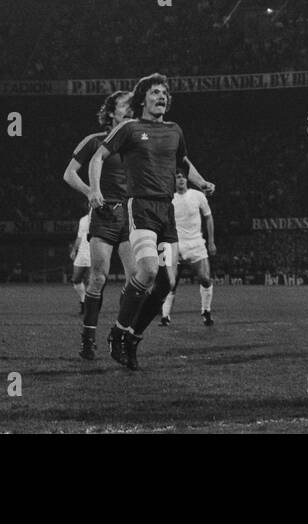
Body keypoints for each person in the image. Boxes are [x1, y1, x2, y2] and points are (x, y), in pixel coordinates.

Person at [88, 73, 215, 370]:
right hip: (141, 207)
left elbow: (183, 160)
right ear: (142, 98)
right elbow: (97, 158)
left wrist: (201, 180)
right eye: (156, 92)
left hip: (165, 210)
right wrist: (94, 189)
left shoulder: (174, 130)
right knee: (147, 270)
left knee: (166, 283)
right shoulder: (129, 128)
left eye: (165, 94)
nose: (162, 97)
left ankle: (133, 336)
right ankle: (117, 332)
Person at [63, 90, 137, 360]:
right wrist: (89, 191)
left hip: (131, 216)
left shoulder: (137, 142)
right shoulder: (94, 141)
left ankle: (120, 333)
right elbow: (68, 174)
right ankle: (88, 340)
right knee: (98, 277)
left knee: (137, 280)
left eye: (132, 105)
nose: (130, 109)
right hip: (105, 216)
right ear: (111, 112)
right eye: (124, 105)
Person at [161, 170, 217, 326]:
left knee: (205, 279)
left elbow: (208, 217)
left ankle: (206, 311)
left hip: (196, 244)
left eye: (183, 177)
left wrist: (211, 241)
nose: (181, 180)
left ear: (187, 179)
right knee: (171, 283)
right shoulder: (169, 199)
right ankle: (165, 316)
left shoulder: (198, 196)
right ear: (174, 181)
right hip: (176, 244)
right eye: (178, 177)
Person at [70, 214, 91, 314]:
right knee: (76, 280)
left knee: (92, 283)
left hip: (94, 253)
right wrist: (74, 250)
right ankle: (83, 300)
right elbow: (79, 236)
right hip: (82, 253)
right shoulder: (83, 219)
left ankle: (88, 308)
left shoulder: (102, 217)